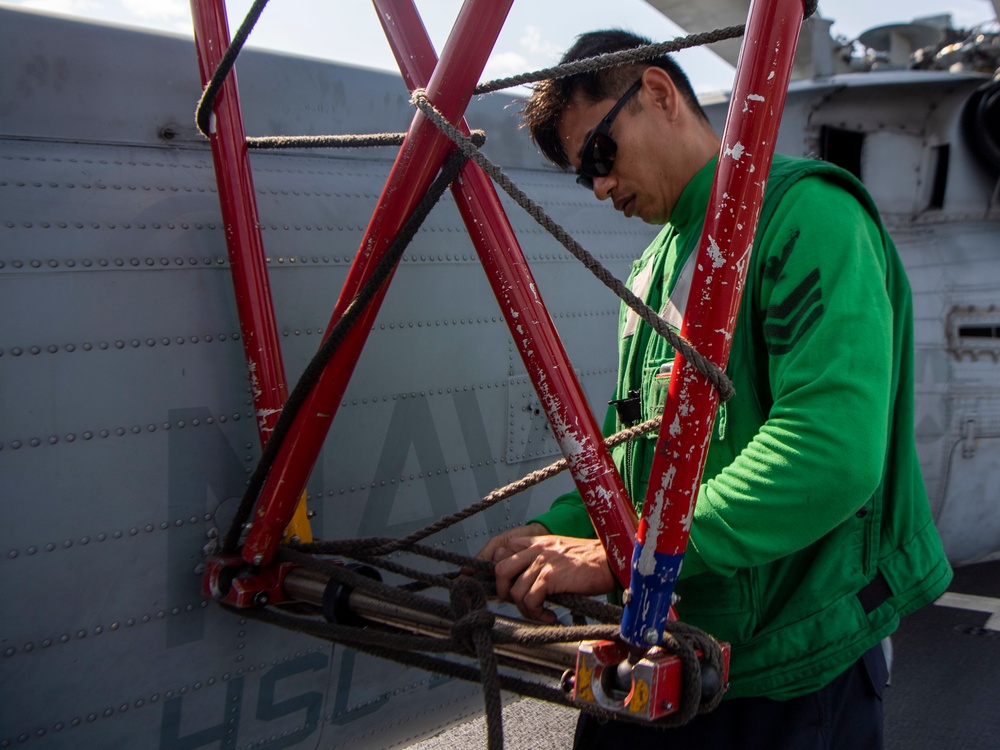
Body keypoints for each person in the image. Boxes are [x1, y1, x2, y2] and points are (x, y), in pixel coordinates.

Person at [476, 29, 953, 749]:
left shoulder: (808, 217)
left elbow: (829, 451)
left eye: (599, 156)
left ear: (660, 94)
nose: (600, 186)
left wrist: (626, 555)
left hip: (785, 684)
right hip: (670, 653)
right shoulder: (649, 270)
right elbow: (635, 458)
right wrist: (556, 532)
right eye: (584, 175)